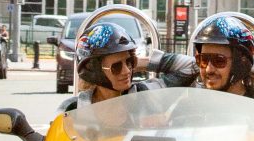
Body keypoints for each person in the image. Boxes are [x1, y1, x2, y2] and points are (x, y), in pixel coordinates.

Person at [59, 21, 197, 112]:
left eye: (128, 62)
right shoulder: (72, 109)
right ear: (93, 69)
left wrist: (138, 63)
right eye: (116, 67)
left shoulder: (144, 94)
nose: (126, 71)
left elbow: (193, 66)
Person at [194, 14, 254, 106]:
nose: (209, 69)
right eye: (203, 60)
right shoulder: (193, 105)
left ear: (241, 62)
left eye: (219, 60)